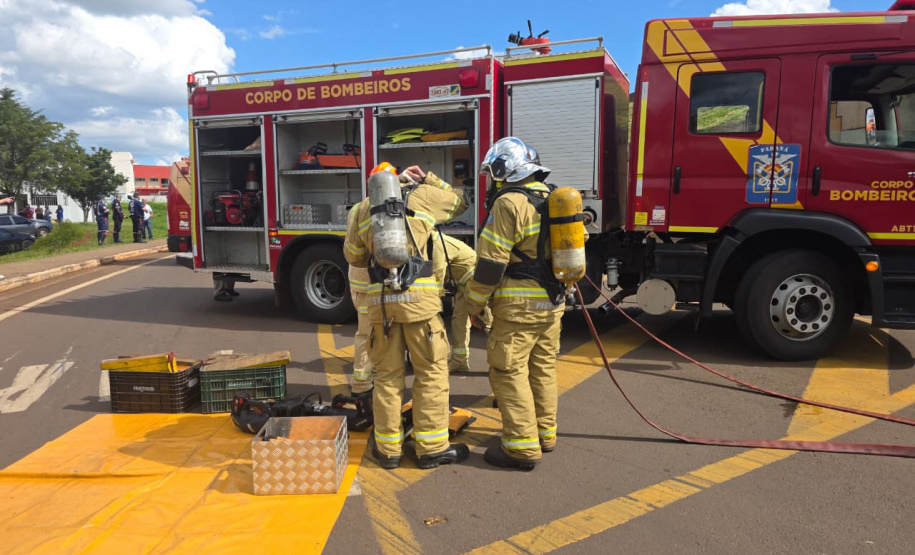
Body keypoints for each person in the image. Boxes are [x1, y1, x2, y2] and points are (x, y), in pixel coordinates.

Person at [344, 161, 470, 470]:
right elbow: (460, 202)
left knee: (387, 378)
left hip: (381, 306)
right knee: (430, 374)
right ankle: (431, 448)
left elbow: (354, 256)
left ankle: (388, 451)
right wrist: (429, 178)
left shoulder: (362, 209)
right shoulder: (423, 196)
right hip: (420, 307)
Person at [463, 137, 563, 471]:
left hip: (518, 305)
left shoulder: (508, 203)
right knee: (542, 367)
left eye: (493, 174)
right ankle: (544, 434)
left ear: (504, 170)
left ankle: (521, 448)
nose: (493, 182)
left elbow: (491, 264)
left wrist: (474, 305)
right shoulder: (553, 197)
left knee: (508, 371)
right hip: (552, 304)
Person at [431, 233, 493, 373]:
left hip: (474, 282)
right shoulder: (432, 242)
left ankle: (503, 362)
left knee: (487, 322)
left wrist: (433, 304)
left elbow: (437, 275)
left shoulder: (436, 244)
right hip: (464, 283)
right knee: (459, 322)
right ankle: (459, 361)